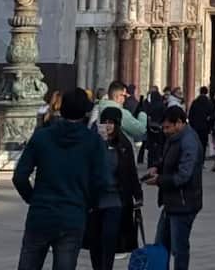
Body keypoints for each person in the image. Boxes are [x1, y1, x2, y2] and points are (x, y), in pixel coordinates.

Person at [13, 87, 108, 270]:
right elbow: (102, 182)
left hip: (41, 212)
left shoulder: (42, 136)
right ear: (85, 112)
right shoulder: (93, 141)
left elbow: (19, 176)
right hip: (73, 214)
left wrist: (33, 199)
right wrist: (87, 204)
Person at [83, 106, 143, 270]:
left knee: (109, 237)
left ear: (117, 124)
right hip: (95, 199)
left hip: (115, 198)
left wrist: (138, 195)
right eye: (105, 122)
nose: (108, 126)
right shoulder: (93, 143)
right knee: (95, 240)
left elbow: (131, 171)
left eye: (111, 122)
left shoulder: (124, 145)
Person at [146, 104, 203, 270]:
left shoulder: (189, 141)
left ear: (179, 123)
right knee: (161, 245)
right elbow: (168, 160)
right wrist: (157, 167)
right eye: (163, 127)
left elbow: (184, 175)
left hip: (184, 203)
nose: (165, 131)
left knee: (179, 248)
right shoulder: (174, 138)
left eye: (167, 127)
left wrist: (159, 180)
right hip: (171, 202)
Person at [92, 80, 147, 146]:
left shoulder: (100, 107)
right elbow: (140, 130)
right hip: (119, 149)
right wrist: (142, 113)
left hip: (102, 147)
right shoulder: (120, 112)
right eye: (124, 95)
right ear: (117, 96)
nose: (125, 98)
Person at [188, 87, 215, 160]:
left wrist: (192, 125)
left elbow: (190, 115)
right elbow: (212, 116)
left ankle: (195, 158)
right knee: (203, 144)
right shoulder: (209, 103)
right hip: (205, 127)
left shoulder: (195, 102)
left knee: (195, 143)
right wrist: (210, 126)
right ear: (207, 92)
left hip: (195, 127)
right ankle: (201, 159)